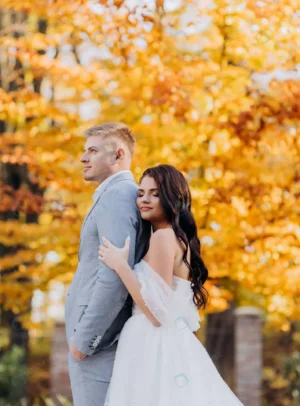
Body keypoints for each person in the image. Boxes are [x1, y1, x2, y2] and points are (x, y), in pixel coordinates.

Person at [98, 164, 245, 406]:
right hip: (162, 339)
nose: (145, 199)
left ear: (171, 198)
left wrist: (121, 266)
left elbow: (156, 312)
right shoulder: (174, 238)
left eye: (155, 193)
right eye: (141, 193)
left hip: (153, 341)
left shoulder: (163, 237)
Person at [64, 122, 151, 406]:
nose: (83, 158)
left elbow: (113, 273)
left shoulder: (118, 196)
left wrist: (84, 341)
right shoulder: (114, 195)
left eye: (93, 150)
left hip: (98, 345)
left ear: (119, 155)